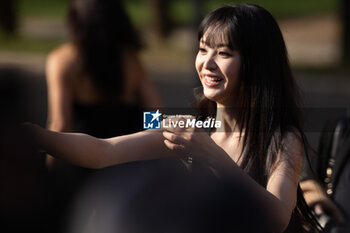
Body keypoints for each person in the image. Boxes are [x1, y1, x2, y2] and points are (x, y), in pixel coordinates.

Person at [26, 4, 321, 233]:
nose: (207, 63)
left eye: (224, 53)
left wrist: (211, 155)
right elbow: (102, 151)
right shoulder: (189, 129)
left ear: (257, 65)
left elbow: (277, 219)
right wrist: (36, 135)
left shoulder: (283, 138)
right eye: (203, 49)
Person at [44, 0, 162, 231]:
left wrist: (45, 172)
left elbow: (60, 123)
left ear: (75, 21)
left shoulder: (62, 60)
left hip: (80, 158)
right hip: (126, 156)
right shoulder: (130, 59)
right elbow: (155, 112)